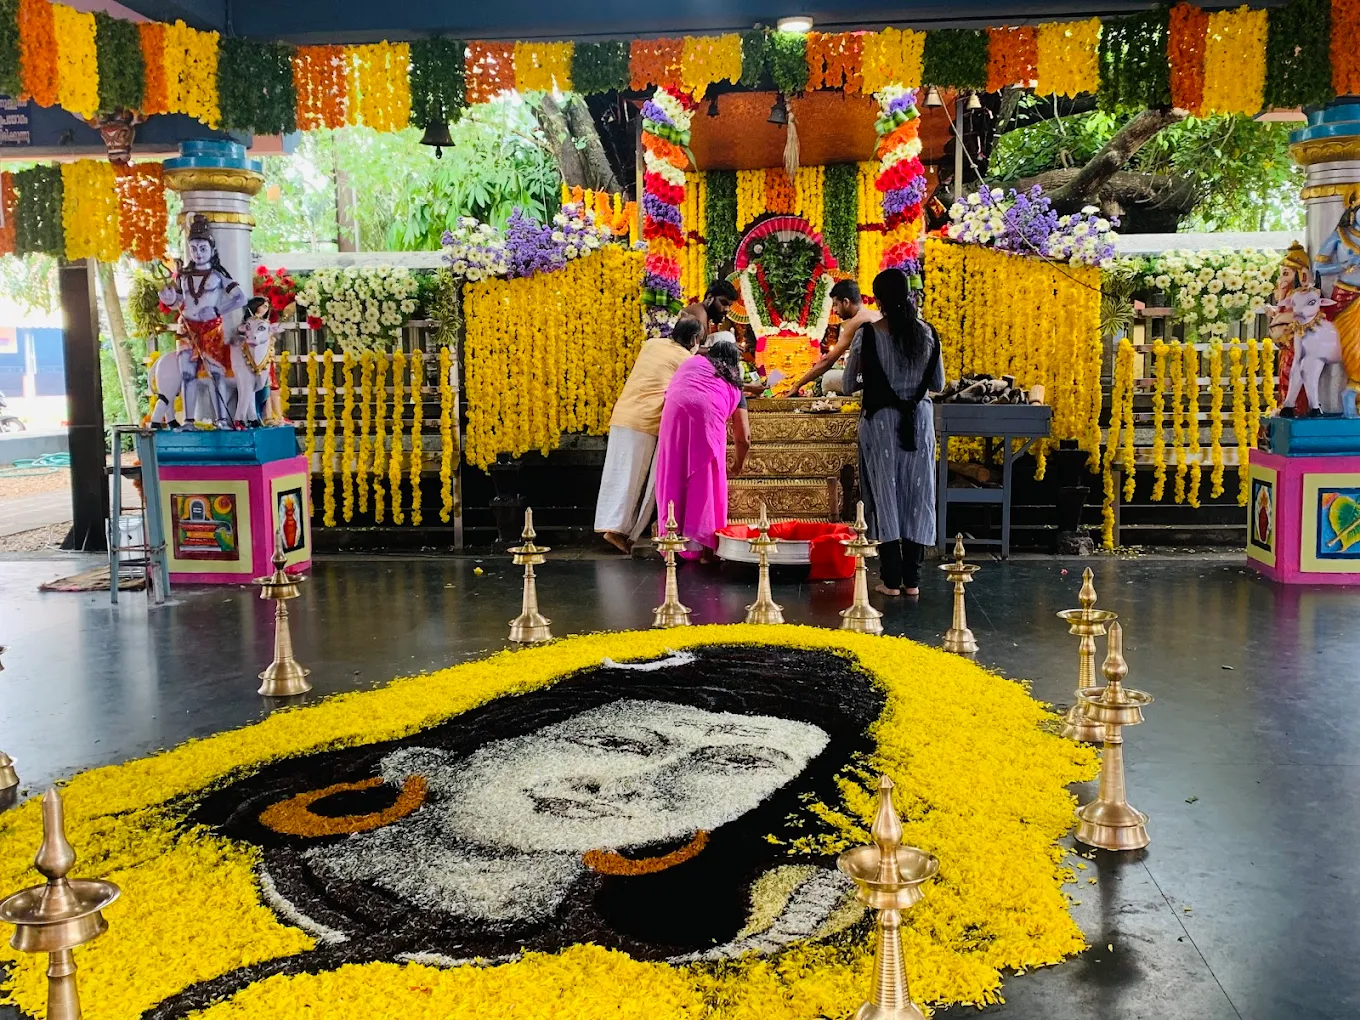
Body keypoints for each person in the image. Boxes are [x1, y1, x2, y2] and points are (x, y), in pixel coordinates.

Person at [842, 269, 943, 597]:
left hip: (882, 424)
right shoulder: (929, 334)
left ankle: (890, 579)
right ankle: (913, 580)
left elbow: (847, 385)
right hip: (919, 421)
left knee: (885, 493)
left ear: (879, 300)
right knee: (917, 494)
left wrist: (869, 379)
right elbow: (938, 385)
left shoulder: (867, 335)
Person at [595, 317, 703, 553]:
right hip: (644, 421)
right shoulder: (686, 360)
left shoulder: (652, 344)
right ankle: (616, 531)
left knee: (617, 473)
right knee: (634, 479)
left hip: (623, 414)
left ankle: (611, 524)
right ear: (694, 339)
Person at [655, 338, 751, 562]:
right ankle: (707, 549)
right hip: (706, 422)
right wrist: (737, 465)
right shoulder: (733, 383)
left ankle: (671, 542)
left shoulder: (692, 363)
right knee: (705, 478)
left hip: (673, 417)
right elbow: (743, 438)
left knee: (673, 473)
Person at [787, 280, 881, 396]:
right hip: (891, 379)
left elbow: (827, 361)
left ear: (846, 302)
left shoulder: (856, 322)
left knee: (827, 379)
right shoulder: (877, 314)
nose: (835, 311)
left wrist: (798, 385)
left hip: (872, 384)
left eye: (836, 304)